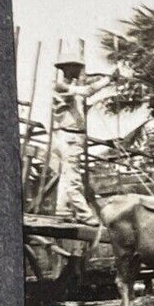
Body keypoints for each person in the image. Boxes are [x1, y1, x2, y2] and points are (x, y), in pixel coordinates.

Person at [48, 58, 99, 221]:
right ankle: (85, 214)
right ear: (67, 68)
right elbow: (89, 90)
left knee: (66, 175)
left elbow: (87, 88)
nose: (79, 70)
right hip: (69, 137)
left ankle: (61, 209)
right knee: (74, 178)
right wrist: (109, 80)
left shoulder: (72, 88)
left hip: (69, 136)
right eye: (76, 67)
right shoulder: (61, 86)